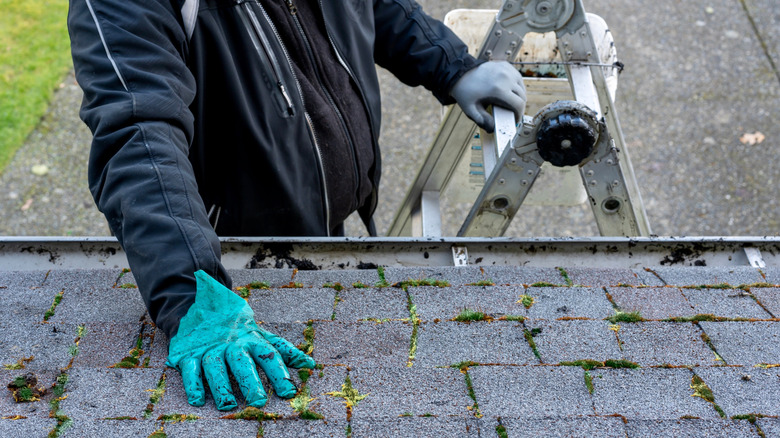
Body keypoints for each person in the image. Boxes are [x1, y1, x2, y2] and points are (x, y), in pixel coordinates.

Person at [67, 0, 526, 410]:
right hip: (228, 265)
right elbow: (138, 133)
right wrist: (192, 292)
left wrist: (450, 65)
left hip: (327, 226)